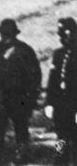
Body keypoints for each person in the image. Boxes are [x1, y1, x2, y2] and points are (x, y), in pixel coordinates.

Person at [0, 18, 42, 162]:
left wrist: (31, 97)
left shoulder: (24, 50)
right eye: (3, 34)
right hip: (1, 98)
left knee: (20, 126)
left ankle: (22, 153)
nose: (5, 37)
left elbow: (35, 75)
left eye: (7, 34)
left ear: (14, 34)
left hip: (18, 97)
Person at [47, 18, 77, 164]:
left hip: (74, 106)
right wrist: (49, 103)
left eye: (65, 32)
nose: (62, 37)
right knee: (61, 138)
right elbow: (52, 80)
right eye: (60, 34)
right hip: (61, 106)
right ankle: (60, 162)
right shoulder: (58, 54)